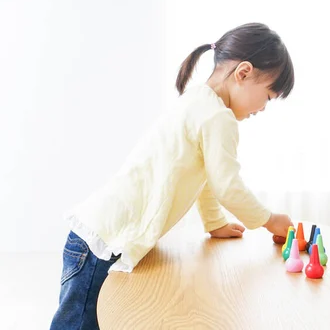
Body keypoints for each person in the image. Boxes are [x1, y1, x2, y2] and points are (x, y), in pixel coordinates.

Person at [50, 22, 295, 330]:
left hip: (98, 237)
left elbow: (204, 174)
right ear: (243, 73)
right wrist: (271, 220)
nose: (262, 108)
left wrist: (215, 223)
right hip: (104, 243)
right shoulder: (219, 117)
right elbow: (227, 187)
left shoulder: (197, 101)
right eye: (268, 97)